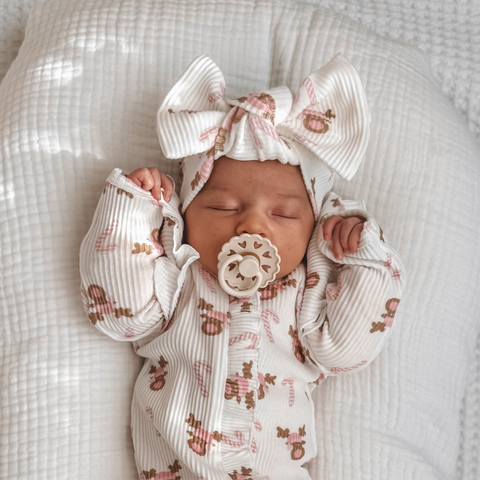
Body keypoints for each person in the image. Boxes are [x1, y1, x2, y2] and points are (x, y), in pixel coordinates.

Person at [80, 54, 405, 480]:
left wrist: (362, 254)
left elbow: (348, 350)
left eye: (284, 215)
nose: (251, 224)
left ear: (312, 229)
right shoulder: (179, 280)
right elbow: (116, 312)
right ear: (185, 213)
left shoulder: (305, 295)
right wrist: (135, 210)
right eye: (223, 206)